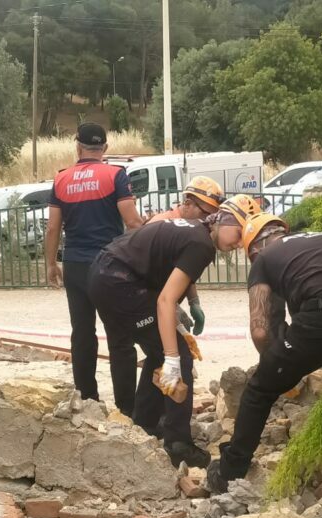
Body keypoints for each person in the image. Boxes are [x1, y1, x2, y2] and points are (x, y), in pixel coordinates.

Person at [206, 212, 322, 493]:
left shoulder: (264, 259)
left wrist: (274, 367)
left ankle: (229, 473)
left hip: (319, 319)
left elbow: (260, 330)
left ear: (255, 248)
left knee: (258, 392)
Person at [88, 214, 238, 468]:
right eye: (239, 233)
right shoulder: (201, 244)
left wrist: (192, 303)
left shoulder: (195, 231)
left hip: (105, 273)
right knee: (178, 352)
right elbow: (165, 301)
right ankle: (178, 444)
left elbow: (179, 272)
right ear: (221, 221)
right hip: (119, 282)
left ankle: (144, 423)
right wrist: (172, 356)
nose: (240, 243)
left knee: (159, 350)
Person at [44, 123, 144, 414]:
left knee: (82, 332)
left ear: (77, 147)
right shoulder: (115, 175)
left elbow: (52, 228)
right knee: (120, 335)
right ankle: (127, 407)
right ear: (105, 148)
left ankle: (87, 399)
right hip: (109, 264)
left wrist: (51, 264)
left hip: (75, 264)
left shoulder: (61, 179)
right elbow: (132, 222)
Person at [148, 176, 226, 336]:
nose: (208, 222)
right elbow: (146, 276)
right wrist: (173, 310)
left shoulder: (188, 228)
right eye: (206, 214)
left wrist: (193, 302)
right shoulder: (161, 225)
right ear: (188, 204)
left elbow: (183, 270)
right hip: (143, 296)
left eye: (213, 217)